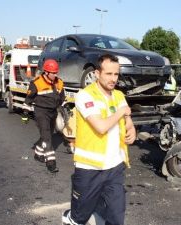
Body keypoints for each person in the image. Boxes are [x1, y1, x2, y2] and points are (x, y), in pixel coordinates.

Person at [62, 54, 136, 225]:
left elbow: (128, 121)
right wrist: (121, 112)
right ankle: (71, 218)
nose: (113, 79)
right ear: (97, 73)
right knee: (80, 216)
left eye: (116, 74)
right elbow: (101, 127)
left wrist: (132, 131)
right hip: (90, 168)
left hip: (115, 167)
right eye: (108, 74)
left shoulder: (119, 95)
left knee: (117, 217)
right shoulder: (85, 96)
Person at [22, 59, 65, 173]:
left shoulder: (59, 82)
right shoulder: (37, 83)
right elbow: (28, 99)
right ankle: (51, 163)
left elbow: (62, 99)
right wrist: (25, 114)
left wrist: (64, 110)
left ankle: (38, 153)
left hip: (53, 112)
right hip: (41, 112)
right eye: (53, 73)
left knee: (48, 134)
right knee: (47, 137)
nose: (55, 75)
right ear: (46, 72)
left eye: (56, 72)